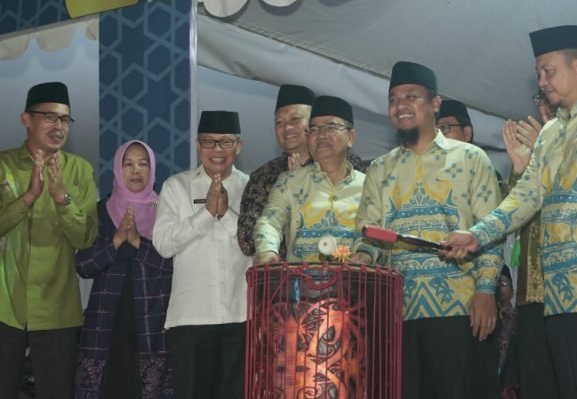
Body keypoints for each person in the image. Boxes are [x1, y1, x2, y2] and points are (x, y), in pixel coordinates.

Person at [442, 25, 577, 399]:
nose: (541, 81)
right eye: (539, 73)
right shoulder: (552, 132)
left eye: (548, 71)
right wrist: (476, 234)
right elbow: (525, 196)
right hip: (556, 297)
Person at [350, 61, 503, 398]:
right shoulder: (380, 169)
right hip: (398, 314)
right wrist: (363, 255)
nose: (400, 105)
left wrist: (485, 291)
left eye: (411, 96)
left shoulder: (471, 158)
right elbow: (370, 232)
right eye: (393, 99)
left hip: (460, 309)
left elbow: (491, 230)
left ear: (435, 103)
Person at [0, 81, 98, 399]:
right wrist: (29, 197)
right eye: (50, 117)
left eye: (65, 119)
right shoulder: (4, 166)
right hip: (5, 305)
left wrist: (61, 199)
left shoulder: (80, 171)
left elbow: (85, 238)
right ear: (26, 119)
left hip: (57, 307)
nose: (59, 126)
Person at [152, 111, 250, 399]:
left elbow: (257, 244)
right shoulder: (176, 186)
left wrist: (226, 215)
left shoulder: (252, 187)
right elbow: (163, 244)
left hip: (240, 314)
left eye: (225, 142)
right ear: (197, 145)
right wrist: (206, 214)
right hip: (191, 317)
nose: (216, 150)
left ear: (238, 146)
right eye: (208, 142)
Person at [74, 140, 173, 399]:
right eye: (128, 164)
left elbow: (174, 265)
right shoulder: (101, 211)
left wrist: (139, 242)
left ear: (152, 169)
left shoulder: (166, 211)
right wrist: (116, 241)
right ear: (118, 169)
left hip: (153, 326)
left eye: (143, 164)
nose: (136, 170)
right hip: (106, 328)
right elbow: (83, 265)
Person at [237, 85, 367, 259]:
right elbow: (263, 227)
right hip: (295, 273)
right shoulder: (277, 179)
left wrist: (366, 252)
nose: (321, 134)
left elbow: (375, 230)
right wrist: (268, 250)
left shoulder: (365, 179)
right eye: (315, 128)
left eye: (330, 127)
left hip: (353, 274)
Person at [497, 90, 559, 399]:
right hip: (532, 292)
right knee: (537, 383)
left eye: (550, 95)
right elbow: (511, 213)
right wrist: (520, 168)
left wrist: (548, 152)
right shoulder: (531, 149)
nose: (543, 105)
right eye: (540, 97)